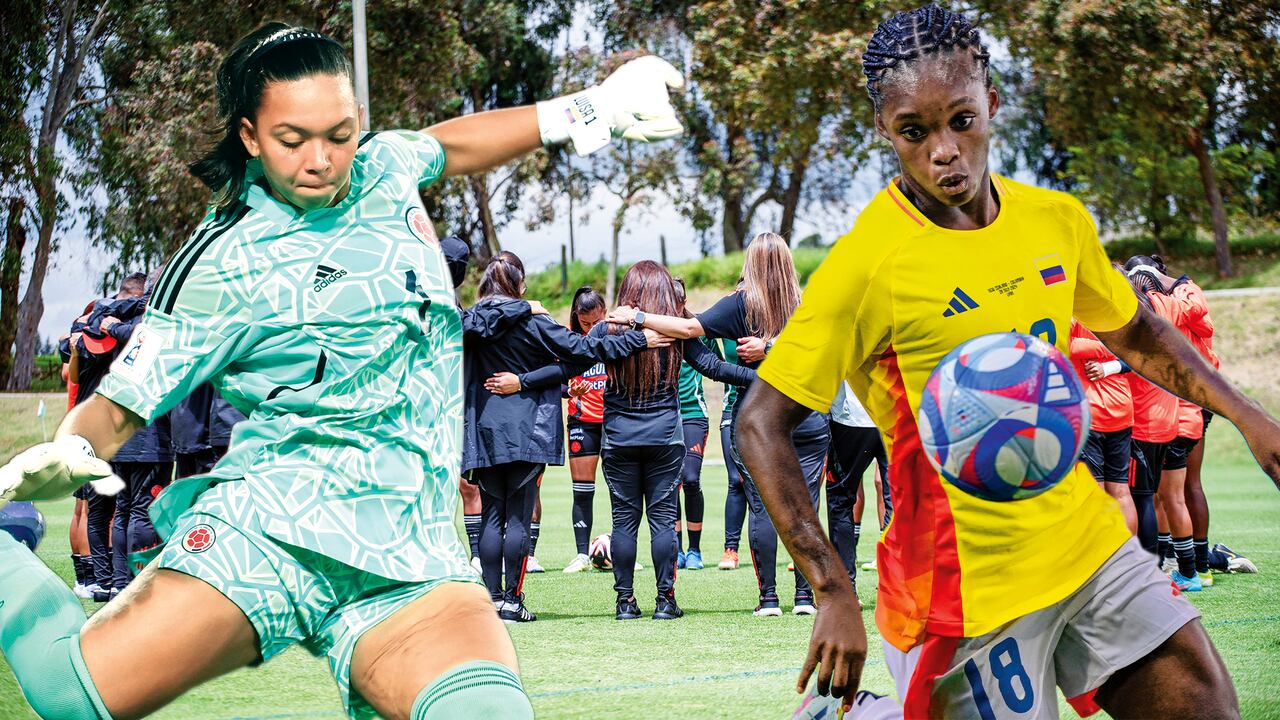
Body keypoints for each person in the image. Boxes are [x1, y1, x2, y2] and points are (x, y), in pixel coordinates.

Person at [0, 22, 684, 720]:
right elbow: (119, 404)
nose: (323, 159)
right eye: (293, 140)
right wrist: (76, 446)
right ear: (250, 136)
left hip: (408, 558)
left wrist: (589, 108)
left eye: (340, 133)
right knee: (70, 696)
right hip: (267, 538)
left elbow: (450, 142)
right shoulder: (222, 263)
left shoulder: (385, 169)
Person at [735, 5, 1278, 717]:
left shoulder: (1055, 222)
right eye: (914, 131)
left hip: (1084, 547)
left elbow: (1137, 331)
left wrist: (1248, 415)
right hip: (957, 594)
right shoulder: (868, 263)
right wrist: (833, 590)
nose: (943, 150)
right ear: (883, 130)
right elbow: (760, 422)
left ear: (990, 103)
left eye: (960, 120)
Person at [608, 232, 828, 617]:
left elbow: (692, 334)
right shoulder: (808, 305)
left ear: (749, 265)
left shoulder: (740, 303)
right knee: (805, 509)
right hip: (807, 417)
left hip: (757, 420)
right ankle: (805, 599)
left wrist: (640, 317)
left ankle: (770, 599)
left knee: (762, 509)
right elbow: (822, 349)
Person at [461, 253, 665, 622]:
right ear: (519, 285)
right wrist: (638, 341)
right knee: (519, 515)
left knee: (492, 514)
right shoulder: (534, 322)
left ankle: (491, 601)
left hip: (483, 427)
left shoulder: (467, 324)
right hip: (527, 430)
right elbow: (587, 349)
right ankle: (511, 601)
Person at [593, 261, 755, 620]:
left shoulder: (607, 329)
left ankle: (625, 603)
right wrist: (764, 377)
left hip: (618, 438)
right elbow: (716, 368)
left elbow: (577, 355)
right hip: (665, 436)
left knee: (624, 522)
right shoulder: (675, 333)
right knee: (662, 522)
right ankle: (665, 601)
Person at [1124, 259, 1204, 591]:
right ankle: (1188, 568)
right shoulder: (1175, 314)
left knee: (1147, 496)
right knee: (1170, 495)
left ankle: (1152, 573)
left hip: (1149, 422)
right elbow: (1197, 311)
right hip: (1177, 417)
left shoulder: (1145, 319)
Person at [1069, 318, 1139, 533]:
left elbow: (1061, 342)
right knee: (1121, 490)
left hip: (1092, 412)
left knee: (1094, 492)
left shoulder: (1071, 315)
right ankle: (1129, 558)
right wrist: (1109, 353)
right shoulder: (1114, 316)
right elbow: (1136, 349)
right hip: (1121, 408)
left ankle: (1100, 559)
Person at [825, 380, 887, 595]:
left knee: (841, 500)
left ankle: (846, 589)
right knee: (899, 501)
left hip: (851, 418)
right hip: (895, 413)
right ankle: (897, 588)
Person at [672, 278, 716, 571]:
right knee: (671, 482)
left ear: (684, 302)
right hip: (664, 415)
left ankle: (695, 549)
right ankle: (675, 549)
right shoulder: (655, 329)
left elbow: (716, 362)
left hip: (693, 414)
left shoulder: (699, 329)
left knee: (690, 478)